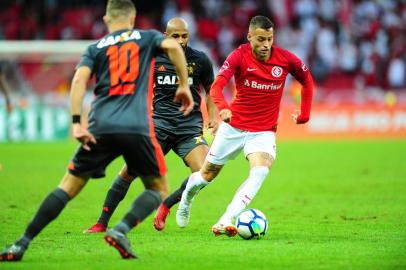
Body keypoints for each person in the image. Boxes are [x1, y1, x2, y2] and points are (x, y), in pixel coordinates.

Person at [0, 0, 193, 262]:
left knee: (67, 187)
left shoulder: (95, 47)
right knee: (158, 189)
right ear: (133, 18)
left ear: (106, 19)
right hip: (136, 127)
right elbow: (172, 46)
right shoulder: (147, 37)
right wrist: (183, 84)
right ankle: (121, 229)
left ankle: (21, 244)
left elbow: (79, 80)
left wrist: (77, 122)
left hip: (100, 127)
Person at [176, 15, 314, 237]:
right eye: (260, 39)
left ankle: (226, 219)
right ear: (250, 36)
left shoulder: (285, 59)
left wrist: (305, 114)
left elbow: (307, 79)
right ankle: (186, 198)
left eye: (269, 39)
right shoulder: (239, 56)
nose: (265, 44)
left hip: (264, 131)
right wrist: (223, 108)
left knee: (260, 171)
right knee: (206, 175)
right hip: (234, 127)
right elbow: (216, 86)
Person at [84, 17, 218, 234]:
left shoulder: (200, 59)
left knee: (205, 172)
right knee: (129, 170)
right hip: (159, 125)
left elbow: (211, 88)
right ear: (167, 36)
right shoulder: (153, 59)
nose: (181, 40)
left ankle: (167, 205)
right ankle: (101, 222)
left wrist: (212, 114)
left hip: (189, 127)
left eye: (184, 36)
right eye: (176, 36)